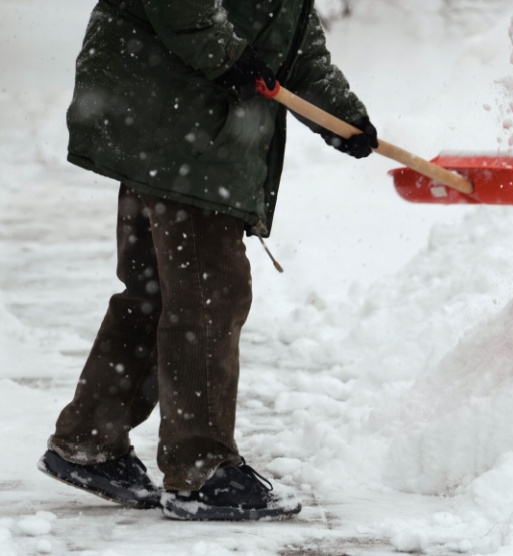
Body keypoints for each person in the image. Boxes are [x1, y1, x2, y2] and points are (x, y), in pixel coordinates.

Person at [36, 0, 377, 521]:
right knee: (208, 294)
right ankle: (201, 468)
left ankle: (90, 439)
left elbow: (294, 40)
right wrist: (228, 56)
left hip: (171, 124)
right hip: (180, 126)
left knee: (156, 294)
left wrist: (340, 115)